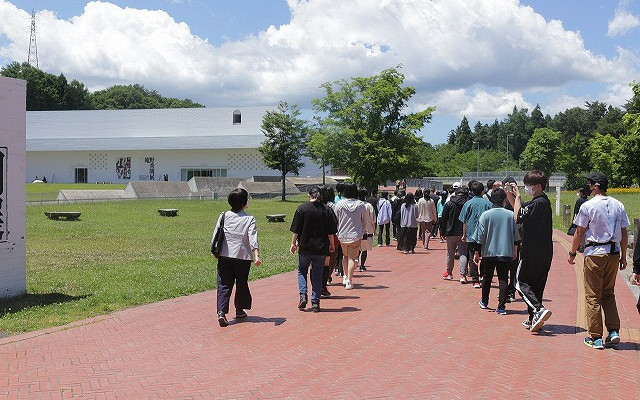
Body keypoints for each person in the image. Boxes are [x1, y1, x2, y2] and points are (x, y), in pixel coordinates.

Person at [568, 172, 629, 349]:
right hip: (613, 253)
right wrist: (624, 255)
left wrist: (572, 253)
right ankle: (613, 331)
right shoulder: (619, 204)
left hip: (595, 252)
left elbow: (580, 232)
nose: (588, 186)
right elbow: (624, 233)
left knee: (593, 295)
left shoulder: (588, 206)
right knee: (608, 293)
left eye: (589, 183)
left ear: (596, 186)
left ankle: (595, 337)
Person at [508, 170, 553, 333]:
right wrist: (511, 196)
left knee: (520, 282)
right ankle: (534, 317)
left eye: (528, 185)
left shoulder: (538, 203)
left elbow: (518, 217)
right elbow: (520, 211)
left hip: (531, 251)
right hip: (544, 252)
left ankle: (538, 309)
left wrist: (518, 197)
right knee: (536, 286)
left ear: (538, 186)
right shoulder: (542, 202)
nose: (526, 188)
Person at [211, 188, 261, 327]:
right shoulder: (249, 219)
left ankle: (221, 312)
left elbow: (216, 233)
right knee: (241, 283)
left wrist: (214, 251)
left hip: (225, 255)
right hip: (242, 257)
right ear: (244, 202)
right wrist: (256, 255)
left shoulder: (223, 215)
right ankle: (239, 310)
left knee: (224, 284)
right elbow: (253, 238)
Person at [290, 187, 337, 313]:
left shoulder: (302, 208)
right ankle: (315, 302)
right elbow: (330, 231)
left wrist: (293, 243)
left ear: (309, 195)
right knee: (317, 274)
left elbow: (296, 229)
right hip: (321, 248)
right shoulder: (327, 209)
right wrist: (331, 244)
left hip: (305, 247)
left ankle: (302, 295)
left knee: (302, 271)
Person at [475, 188, 520, 314]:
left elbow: (480, 236)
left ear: (491, 201)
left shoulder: (485, 215)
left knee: (487, 277)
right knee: (503, 278)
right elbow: (516, 235)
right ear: (504, 201)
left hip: (488, 252)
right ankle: (501, 307)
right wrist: (515, 249)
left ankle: (484, 301)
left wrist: (477, 252)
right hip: (506, 251)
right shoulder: (511, 215)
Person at [334, 183, 367, 290]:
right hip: (356, 234)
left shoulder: (339, 204)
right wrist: (363, 230)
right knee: (352, 258)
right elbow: (364, 220)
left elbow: (336, 219)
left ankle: (345, 276)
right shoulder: (361, 204)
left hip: (342, 234)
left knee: (345, 256)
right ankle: (349, 280)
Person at [459, 181, 491, 287]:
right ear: (483, 191)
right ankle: (483, 276)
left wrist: (464, 235)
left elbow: (464, 221)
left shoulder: (467, 204)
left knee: (472, 256)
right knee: (485, 256)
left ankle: (475, 280)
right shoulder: (488, 204)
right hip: (485, 235)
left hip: (471, 234)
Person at [440, 187, 468, 280]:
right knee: (463, 253)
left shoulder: (449, 203)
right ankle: (462, 275)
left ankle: (449, 273)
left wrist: (442, 232)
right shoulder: (467, 204)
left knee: (450, 253)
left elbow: (444, 218)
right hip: (463, 232)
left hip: (450, 231)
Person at [320, 186, 339, 296]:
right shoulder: (333, 207)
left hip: (316, 239)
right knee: (331, 258)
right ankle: (327, 278)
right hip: (331, 236)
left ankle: (321, 282)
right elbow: (336, 222)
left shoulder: (314, 206)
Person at [358, 188, 377, 271]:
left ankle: (355, 262)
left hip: (356, 231)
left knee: (356, 248)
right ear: (366, 196)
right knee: (364, 249)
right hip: (367, 231)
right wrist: (374, 228)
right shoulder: (368, 206)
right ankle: (362, 265)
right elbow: (373, 219)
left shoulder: (356, 205)